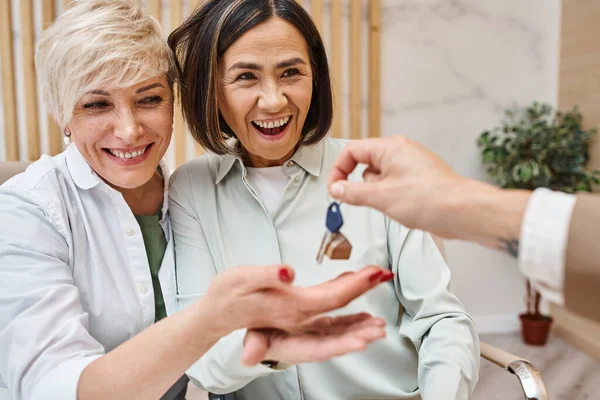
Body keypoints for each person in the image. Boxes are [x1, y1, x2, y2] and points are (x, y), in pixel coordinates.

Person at [0, 2, 391, 399]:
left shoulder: (193, 193)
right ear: (63, 114)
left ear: (174, 99)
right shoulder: (27, 210)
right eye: (96, 105)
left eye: (149, 99)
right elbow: (50, 387)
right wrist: (208, 322)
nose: (129, 129)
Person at [168, 1, 479, 399]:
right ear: (211, 89)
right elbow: (199, 352)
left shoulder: (372, 172)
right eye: (246, 77)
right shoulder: (190, 190)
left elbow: (441, 320)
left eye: (291, 72)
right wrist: (272, 346)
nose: (274, 100)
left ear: (315, 77)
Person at [327, 135, 600, 323]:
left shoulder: (377, 195)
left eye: (293, 72)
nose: (280, 100)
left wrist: (454, 201)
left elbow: (439, 316)